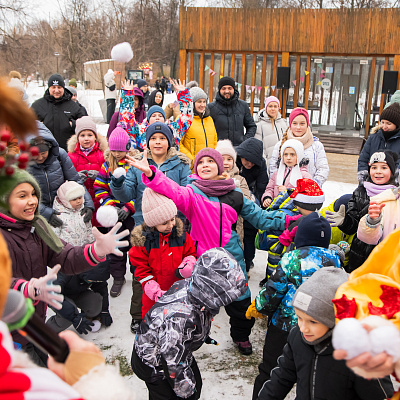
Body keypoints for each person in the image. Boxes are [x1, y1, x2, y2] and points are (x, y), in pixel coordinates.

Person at [128, 146, 289, 356]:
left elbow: (260, 218)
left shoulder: (236, 194)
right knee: (199, 306)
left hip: (232, 259)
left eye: (210, 161)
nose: (205, 165)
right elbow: (172, 190)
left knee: (240, 303)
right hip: (202, 261)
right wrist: (152, 173)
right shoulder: (192, 194)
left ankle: (241, 336)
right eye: (201, 162)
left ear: (219, 166)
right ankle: (193, 336)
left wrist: (287, 221)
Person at [0, 168, 128, 366]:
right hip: (8, 331)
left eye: (34, 194)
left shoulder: (37, 226)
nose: (32, 200)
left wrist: (95, 251)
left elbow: (64, 256)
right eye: (22, 196)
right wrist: (25, 288)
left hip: (34, 321)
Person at [256, 267, 393, 400]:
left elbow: (380, 395)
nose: (303, 328)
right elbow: (281, 378)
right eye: (299, 318)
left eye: (313, 322)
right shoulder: (297, 337)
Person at [131, 248, 248, 400]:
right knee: (167, 394)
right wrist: (187, 395)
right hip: (153, 362)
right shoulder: (180, 319)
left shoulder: (193, 288)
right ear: (211, 291)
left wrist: (200, 332)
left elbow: (197, 316)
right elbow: (173, 364)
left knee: (195, 384)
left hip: (175, 349)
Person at [246, 213, 342, 399]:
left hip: (284, 326)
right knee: (309, 373)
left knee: (270, 370)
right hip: (320, 325)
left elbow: (273, 290)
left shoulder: (291, 259)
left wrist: (259, 307)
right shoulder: (335, 261)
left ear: (300, 238)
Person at [129, 188, 197, 330]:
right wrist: (151, 287)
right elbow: (139, 267)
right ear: (152, 223)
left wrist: (188, 264)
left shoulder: (181, 235)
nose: (170, 225)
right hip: (154, 295)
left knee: (176, 324)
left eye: (172, 219)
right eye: (164, 223)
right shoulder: (143, 241)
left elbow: (190, 253)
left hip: (178, 291)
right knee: (154, 322)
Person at [326, 150, 398, 272]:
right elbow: (352, 227)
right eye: (374, 167)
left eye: (384, 167)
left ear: (391, 171)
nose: (378, 171)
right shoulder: (361, 192)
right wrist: (345, 221)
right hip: (359, 253)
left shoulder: (395, 195)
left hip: (386, 253)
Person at [94, 128, 136, 297]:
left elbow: (139, 190)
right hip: (113, 215)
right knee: (115, 247)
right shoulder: (106, 166)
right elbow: (100, 187)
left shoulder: (134, 165)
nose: (118, 154)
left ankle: (137, 275)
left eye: (121, 150)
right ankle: (118, 277)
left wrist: (129, 206)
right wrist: (110, 205)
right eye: (114, 150)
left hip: (130, 215)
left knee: (134, 246)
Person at [27, 125, 94, 228]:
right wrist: (46, 213)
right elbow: (21, 196)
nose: (40, 157)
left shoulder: (59, 155)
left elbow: (75, 180)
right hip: (34, 213)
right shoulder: (21, 163)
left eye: (43, 153)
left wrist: (88, 204)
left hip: (62, 210)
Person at [113, 79, 193, 150]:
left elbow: (186, 118)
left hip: (170, 165)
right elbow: (127, 120)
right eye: (153, 116)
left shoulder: (173, 130)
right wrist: (127, 95)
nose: (157, 118)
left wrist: (184, 95)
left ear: (165, 119)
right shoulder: (141, 131)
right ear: (148, 120)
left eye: (160, 116)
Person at [269, 107, 329, 187]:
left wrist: (313, 184)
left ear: (307, 124)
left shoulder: (316, 146)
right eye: (295, 123)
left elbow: (323, 168)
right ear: (290, 124)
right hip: (284, 194)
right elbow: (273, 168)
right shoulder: (281, 145)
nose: (298, 127)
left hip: (308, 193)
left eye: (302, 124)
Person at [236, 137, 268, 272]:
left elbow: (262, 187)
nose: (249, 164)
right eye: (246, 160)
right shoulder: (234, 161)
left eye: (253, 162)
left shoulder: (260, 165)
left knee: (249, 236)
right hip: (235, 204)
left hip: (251, 205)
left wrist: (260, 203)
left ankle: (248, 264)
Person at [67, 116, 107, 227]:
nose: (86, 139)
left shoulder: (103, 154)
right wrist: (75, 177)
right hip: (81, 202)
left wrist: (99, 176)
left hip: (99, 199)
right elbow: (66, 178)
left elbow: (109, 175)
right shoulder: (71, 156)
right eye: (82, 135)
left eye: (90, 135)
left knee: (101, 230)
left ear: (95, 137)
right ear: (77, 137)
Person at [31, 74, 87, 150]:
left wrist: (73, 124)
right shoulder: (38, 106)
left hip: (68, 151)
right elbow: (26, 125)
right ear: (49, 88)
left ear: (63, 88)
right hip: (44, 152)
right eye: (53, 87)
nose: (56, 90)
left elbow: (86, 124)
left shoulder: (74, 106)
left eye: (59, 87)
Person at [215, 139, 250, 247]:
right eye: (222, 158)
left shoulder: (240, 179)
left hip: (235, 224)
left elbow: (245, 199)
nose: (225, 162)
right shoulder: (211, 179)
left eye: (229, 159)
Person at [358, 102, 400, 183]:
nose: (384, 126)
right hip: (373, 180)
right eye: (382, 122)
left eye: (388, 124)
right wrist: (364, 177)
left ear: (397, 125)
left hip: (393, 184)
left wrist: (396, 179)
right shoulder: (373, 138)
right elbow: (363, 159)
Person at [262, 139, 311, 207]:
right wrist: (267, 198)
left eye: (292, 155)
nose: (288, 158)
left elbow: (306, 195)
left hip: (294, 211)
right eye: (285, 154)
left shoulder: (305, 176)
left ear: (299, 155)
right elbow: (269, 189)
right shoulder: (276, 173)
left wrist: (288, 192)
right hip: (275, 208)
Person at [208, 76, 256, 146]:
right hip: (219, 149)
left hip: (239, 150)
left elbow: (251, 126)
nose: (227, 91)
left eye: (229, 88)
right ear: (219, 90)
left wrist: (245, 141)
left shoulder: (243, 106)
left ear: (234, 89)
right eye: (224, 88)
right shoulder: (211, 107)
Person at [180, 87, 218, 171]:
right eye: (199, 102)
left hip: (209, 167)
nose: (202, 105)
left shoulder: (209, 119)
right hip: (191, 168)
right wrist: (192, 159)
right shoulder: (184, 120)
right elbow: (178, 143)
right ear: (192, 103)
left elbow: (214, 140)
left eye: (204, 101)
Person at [255, 96, 288, 167]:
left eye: (275, 106)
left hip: (284, 162)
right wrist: (264, 163)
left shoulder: (284, 123)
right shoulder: (259, 126)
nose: (273, 109)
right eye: (270, 106)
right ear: (266, 108)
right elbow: (258, 147)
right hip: (269, 163)